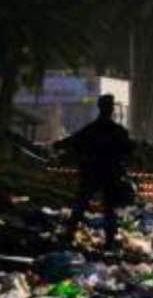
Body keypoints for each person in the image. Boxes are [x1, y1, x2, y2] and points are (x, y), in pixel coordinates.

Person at [56, 94, 134, 249]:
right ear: (111, 109)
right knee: (109, 209)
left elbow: (73, 144)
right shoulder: (118, 131)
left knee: (81, 204)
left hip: (91, 172)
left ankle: (69, 234)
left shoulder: (91, 130)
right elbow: (129, 150)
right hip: (111, 174)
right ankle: (109, 241)